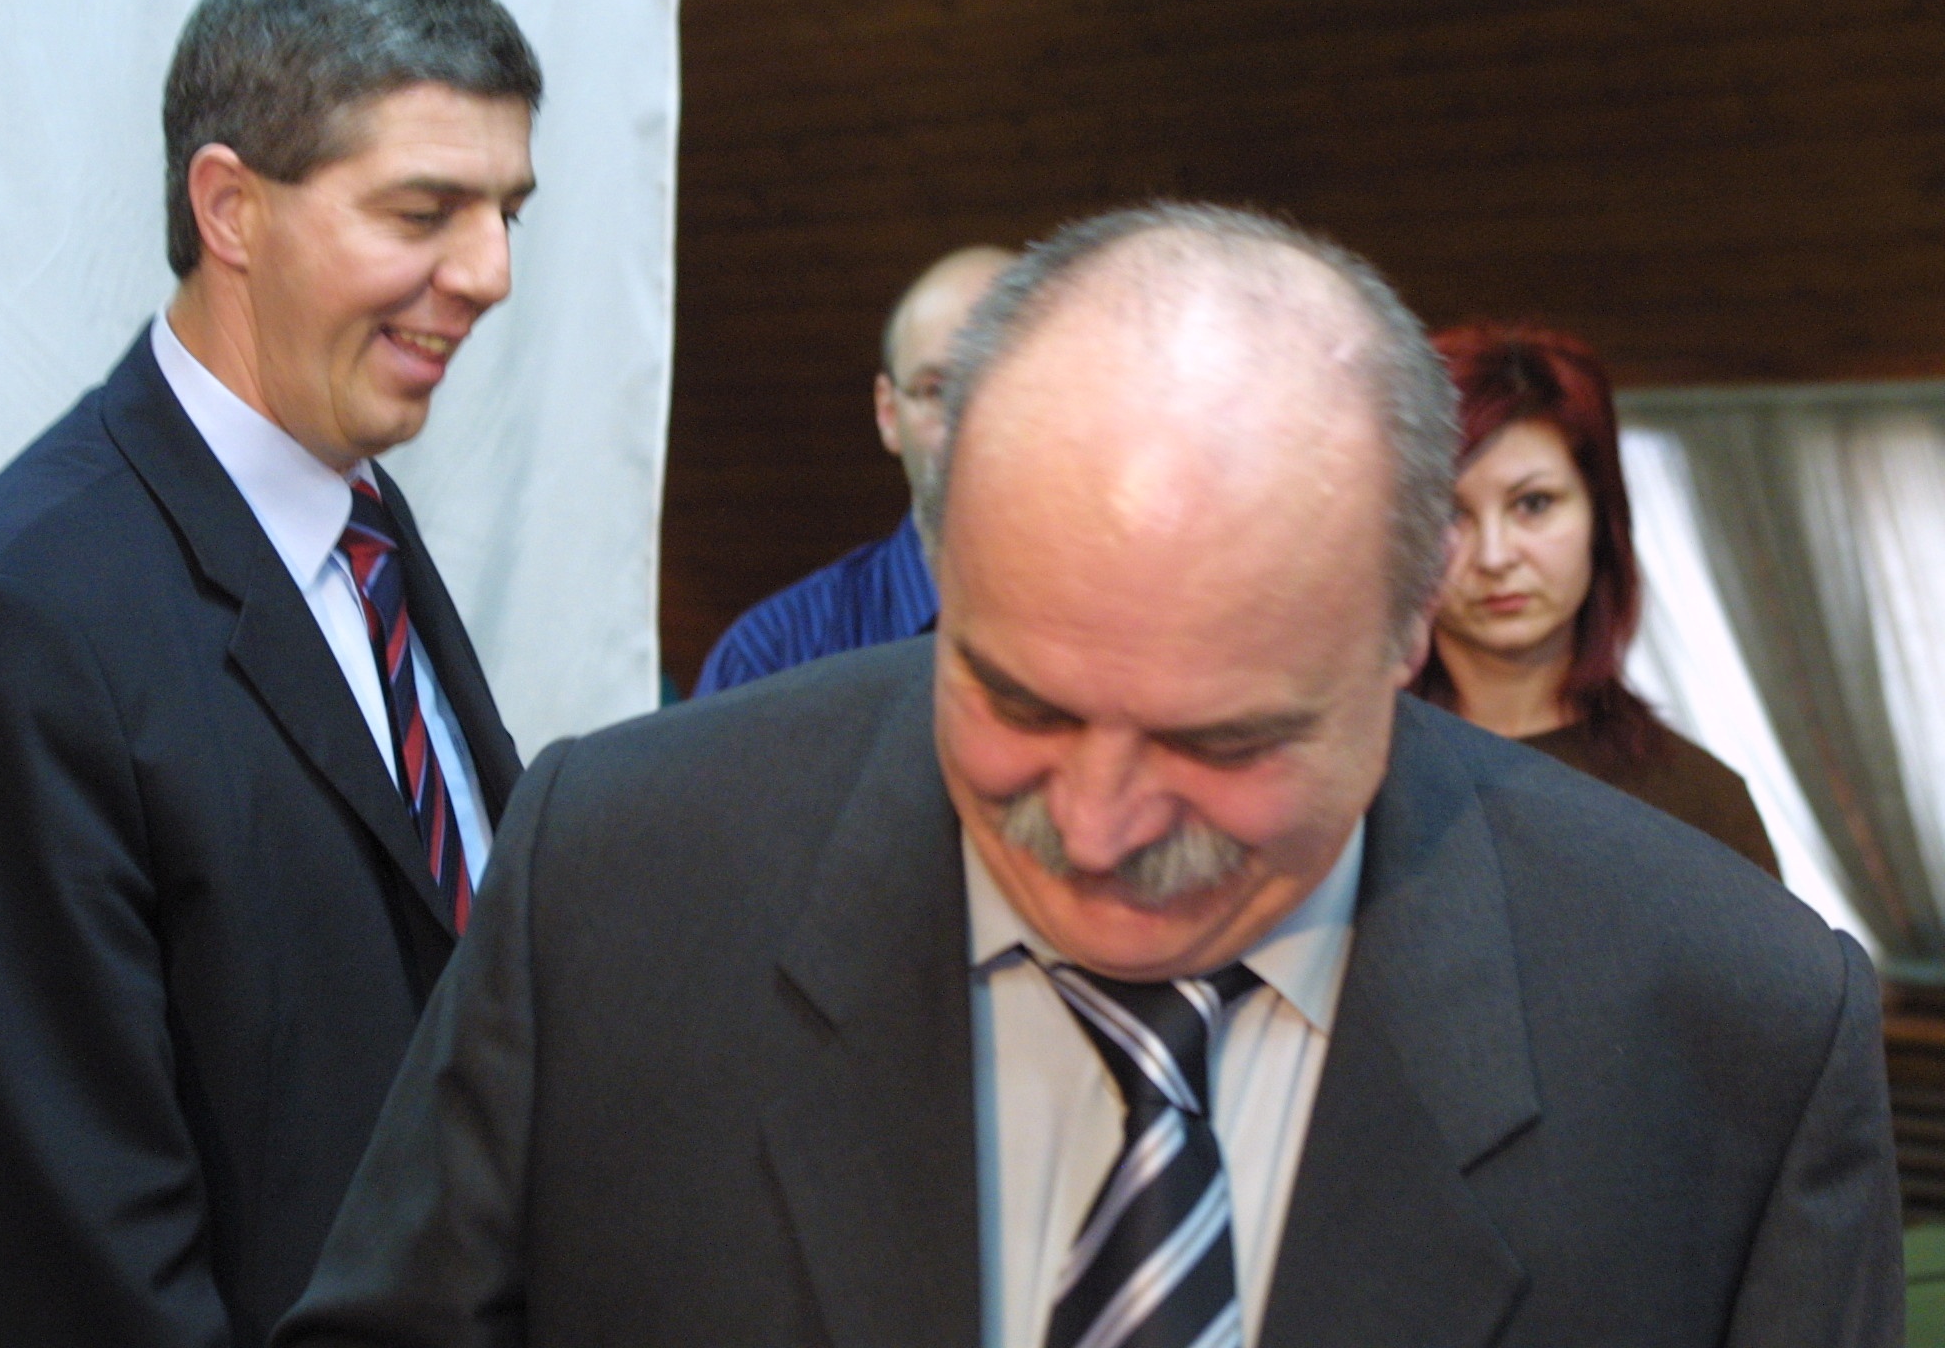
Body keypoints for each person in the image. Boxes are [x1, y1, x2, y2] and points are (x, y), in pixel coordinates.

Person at [278, 205, 1898, 1348]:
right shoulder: (620, 878)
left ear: (1410, 626)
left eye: (1223, 741)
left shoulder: (1731, 1041)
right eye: (1018, 701)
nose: (1102, 825)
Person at [0, 0, 538, 1348]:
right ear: (230, 207)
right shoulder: (11, 628)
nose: (489, 272)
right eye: (425, 210)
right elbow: (66, 1284)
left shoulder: (362, 521)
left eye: (506, 213)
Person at [1411, 323, 1779, 874]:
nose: (1494, 556)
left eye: (1533, 504)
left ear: (1600, 518)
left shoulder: (1698, 803)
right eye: (1449, 513)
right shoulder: (1349, 779)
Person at [693, 244, 1015, 695]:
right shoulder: (773, 659)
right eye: (937, 390)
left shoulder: (1121, 620)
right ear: (888, 414)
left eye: (1010, 382)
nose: (970, 422)